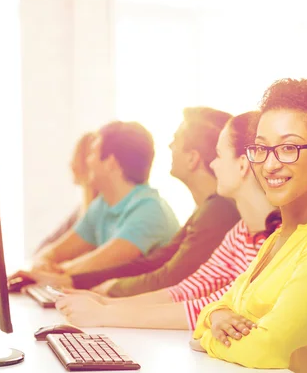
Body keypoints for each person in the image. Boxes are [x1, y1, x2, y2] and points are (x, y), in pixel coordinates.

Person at [190, 78, 307, 372]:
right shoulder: (280, 237)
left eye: (289, 148)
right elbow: (212, 311)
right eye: (261, 148)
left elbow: (267, 351)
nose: (269, 165)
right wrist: (216, 319)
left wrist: (209, 340)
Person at [55, 111, 278, 329]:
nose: (213, 164)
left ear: (242, 165)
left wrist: (105, 312)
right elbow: (188, 290)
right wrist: (104, 303)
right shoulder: (240, 233)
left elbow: (216, 306)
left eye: (219, 155)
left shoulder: (273, 241)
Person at [35, 107, 241, 293]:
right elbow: (156, 264)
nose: (169, 146)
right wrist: (74, 281)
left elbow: (169, 278)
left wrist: (103, 292)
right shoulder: (204, 209)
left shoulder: (213, 209)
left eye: (175, 139)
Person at [20, 121, 180, 277]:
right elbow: (55, 251)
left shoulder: (150, 210)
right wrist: (42, 261)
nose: (87, 161)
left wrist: (47, 272)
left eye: (92, 153)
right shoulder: (102, 205)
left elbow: (93, 266)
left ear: (111, 163)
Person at [34, 132, 98, 253]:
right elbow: (43, 248)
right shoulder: (79, 211)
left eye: (77, 156)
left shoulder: (100, 211)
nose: (71, 164)